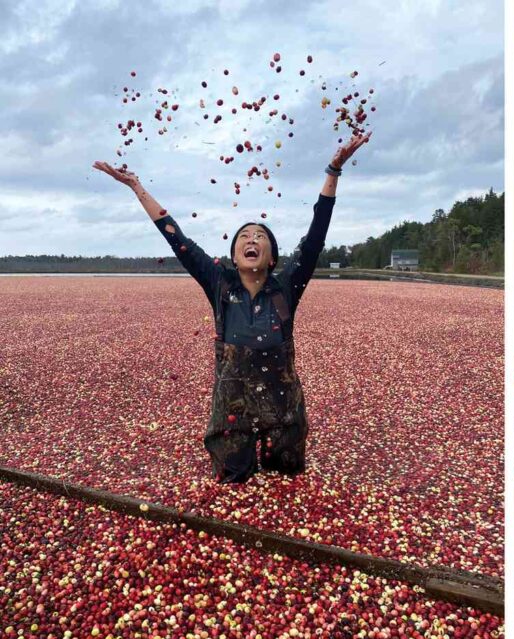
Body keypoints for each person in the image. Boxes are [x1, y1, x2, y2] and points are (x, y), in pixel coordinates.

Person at [92, 131, 371, 483]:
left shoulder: (285, 287)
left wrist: (333, 171)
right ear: (234, 255)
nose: (251, 239)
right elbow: (176, 237)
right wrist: (137, 188)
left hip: (282, 406)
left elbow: (316, 235)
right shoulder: (220, 284)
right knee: (233, 477)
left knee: (286, 477)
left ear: (272, 258)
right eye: (244, 236)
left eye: (260, 237)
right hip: (232, 411)